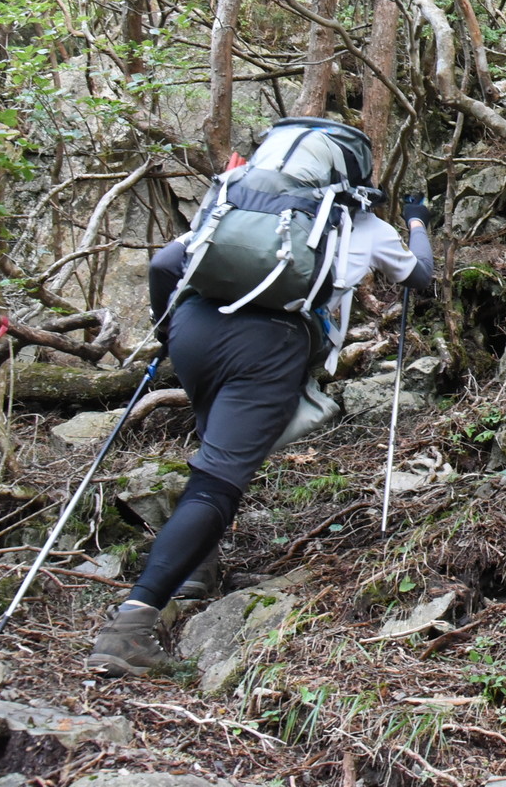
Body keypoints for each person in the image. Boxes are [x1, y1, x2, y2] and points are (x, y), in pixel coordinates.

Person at [87, 117, 434, 676]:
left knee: (211, 454)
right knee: (218, 481)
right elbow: (423, 279)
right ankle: (131, 627)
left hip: (195, 329)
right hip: (267, 348)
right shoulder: (360, 223)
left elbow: (164, 265)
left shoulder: (235, 199)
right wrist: (417, 222)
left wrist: (169, 332)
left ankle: (196, 572)